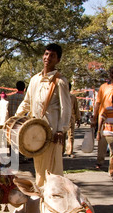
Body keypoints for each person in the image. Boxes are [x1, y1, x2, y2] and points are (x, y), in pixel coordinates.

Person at [15, 43, 71, 186]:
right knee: (39, 169)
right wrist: (15, 118)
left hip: (52, 133)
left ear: (58, 60)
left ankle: (55, 199)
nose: (48, 58)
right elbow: (26, 102)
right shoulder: (34, 79)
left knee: (53, 170)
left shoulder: (61, 81)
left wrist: (61, 129)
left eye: (52, 56)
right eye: (46, 54)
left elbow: (66, 107)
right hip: (35, 132)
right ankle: (42, 198)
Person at [64, 83, 81, 157]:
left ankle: (69, 151)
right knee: (63, 135)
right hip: (63, 119)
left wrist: (78, 118)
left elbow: (76, 108)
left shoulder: (72, 97)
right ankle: (62, 151)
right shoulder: (61, 97)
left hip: (70, 119)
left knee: (70, 135)